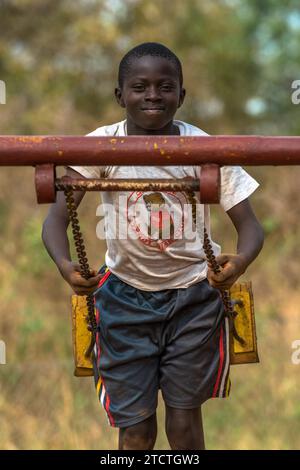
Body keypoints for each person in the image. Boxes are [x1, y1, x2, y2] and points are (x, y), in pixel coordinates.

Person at [42, 42, 264, 450]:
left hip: (194, 296)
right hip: (123, 298)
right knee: (136, 432)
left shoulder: (203, 148)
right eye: (140, 86)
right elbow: (56, 220)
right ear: (119, 95)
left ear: (182, 95)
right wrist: (64, 263)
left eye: (165, 87)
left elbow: (250, 226)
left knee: (183, 426)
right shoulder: (101, 146)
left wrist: (241, 261)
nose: (152, 96)